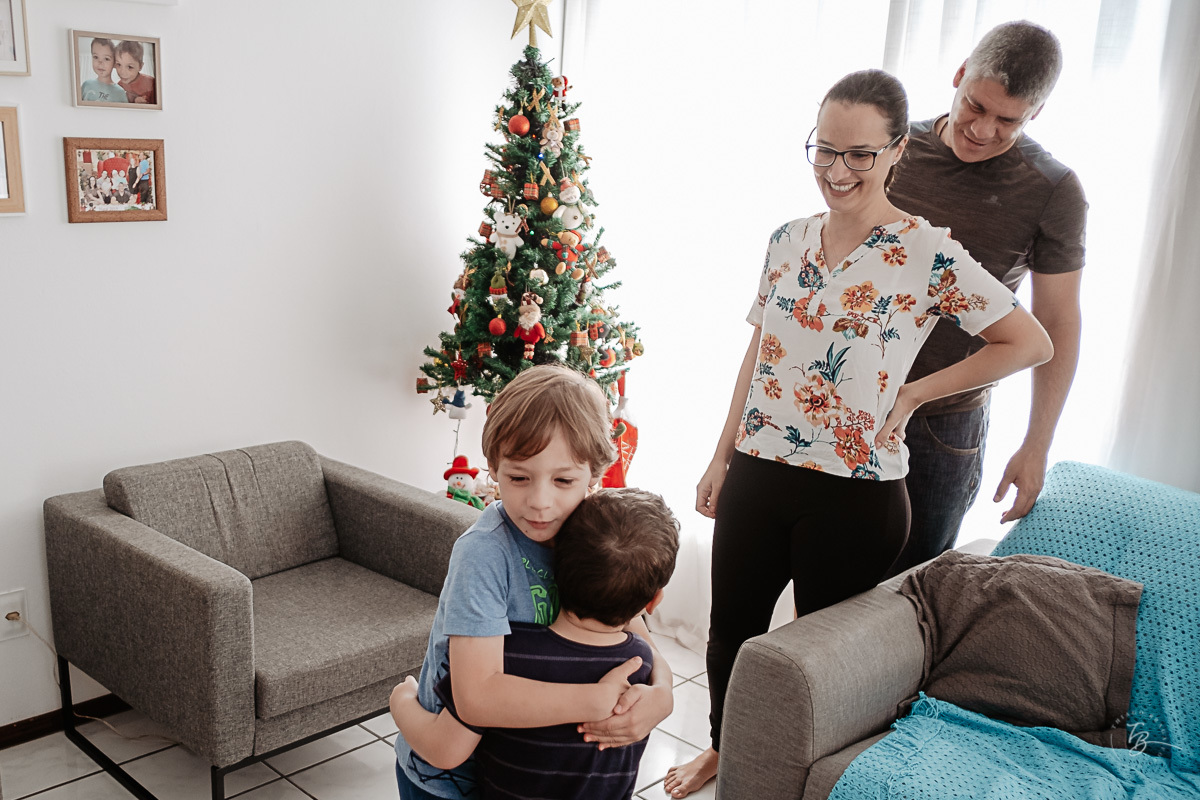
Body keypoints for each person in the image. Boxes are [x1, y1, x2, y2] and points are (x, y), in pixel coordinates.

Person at [665, 69, 1054, 797]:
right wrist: (721, 455)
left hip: (857, 493)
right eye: (825, 151)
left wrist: (913, 393)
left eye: (860, 155)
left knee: (821, 664)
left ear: (897, 151)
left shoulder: (925, 252)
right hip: (759, 468)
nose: (837, 172)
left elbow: (1028, 341)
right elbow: (759, 354)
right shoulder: (786, 239)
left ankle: (798, 782)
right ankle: (725, 750)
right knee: (731, 634)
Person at [393, 365, 675, 800]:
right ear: (493, 468)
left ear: (595, 476)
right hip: (451, 780)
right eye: (519, 478)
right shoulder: (485, 553)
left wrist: (662, 692)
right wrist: (593, 701)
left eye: (564, 480)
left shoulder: (591, 526)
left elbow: (624, 619)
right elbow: (477, 699)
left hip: (526, 771)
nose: (541, 503)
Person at [884, 21, 1086, 575]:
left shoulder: (1052, 190)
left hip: (944, 425)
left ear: (1035, 114)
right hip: (853, 392)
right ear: (958, 76)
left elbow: (1057, 325)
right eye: (975, 106)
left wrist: (1036, 444)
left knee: (912, 591)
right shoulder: (894, 147)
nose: (983, 129)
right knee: (832, 580)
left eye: (1008, 120)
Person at [80, 38, 128, 104]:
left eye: (106, 59)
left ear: (114, 63)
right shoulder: (86, 85)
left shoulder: (120, 93)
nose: (100, 62)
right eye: (96, 57)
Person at [115, 40, 156, 105]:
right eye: (119, 64)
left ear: (140, 66)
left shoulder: (152, 83)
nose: (122, 72)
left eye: (130, 67)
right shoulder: (119, 86)